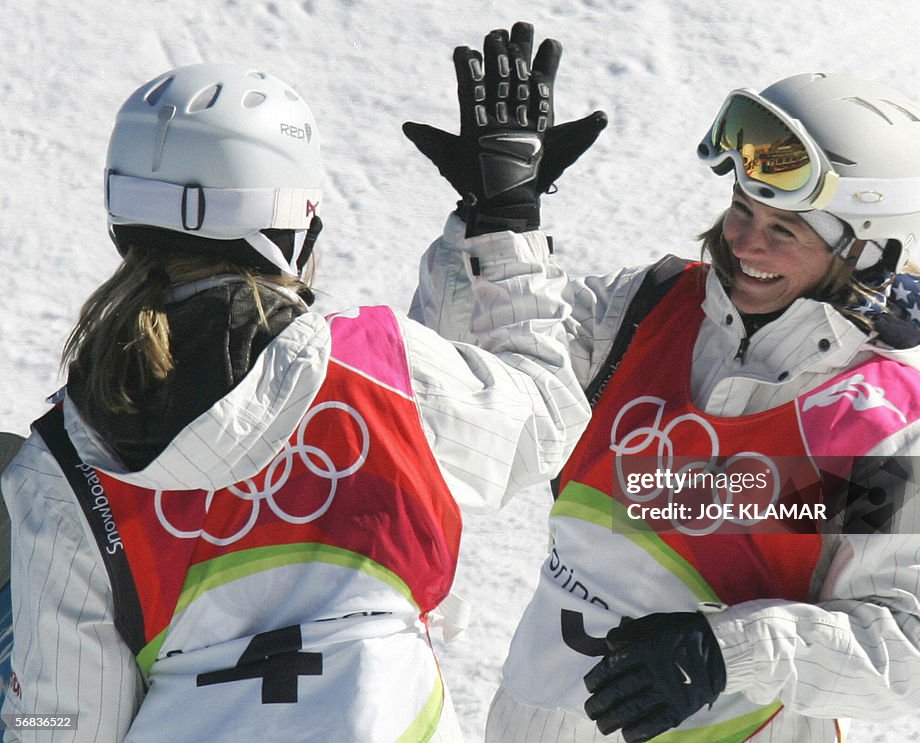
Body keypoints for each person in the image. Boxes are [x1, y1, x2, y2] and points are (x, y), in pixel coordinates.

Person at [0, 61, 594, 742]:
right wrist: (504, 218)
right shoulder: (379, 373)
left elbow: (64, 727)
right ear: (290, 225)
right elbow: (541, 417)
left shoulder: (66, 466)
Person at [409, 29, 920, 743]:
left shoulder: (898, 425)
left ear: (864, 251)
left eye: (785, 230)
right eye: (742, 208)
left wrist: (724, 651)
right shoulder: (650, 307)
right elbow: (467, 387)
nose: (744, 242)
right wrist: (496, 221)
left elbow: (914, 645)